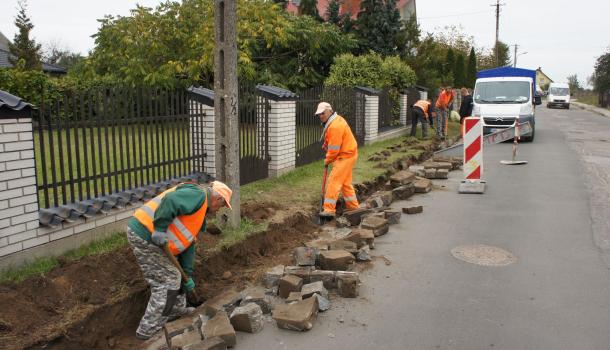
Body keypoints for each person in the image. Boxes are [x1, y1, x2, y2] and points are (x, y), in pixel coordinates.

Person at [127, 181, 233, 340]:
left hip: (158, 241)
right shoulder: (198, 195)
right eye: (222, 205)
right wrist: (160, 229)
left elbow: (188, 245)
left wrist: (187, 276)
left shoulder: (199, 214)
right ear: (217, 199)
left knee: (178, 276)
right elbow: (171, 201)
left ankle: (175, 311)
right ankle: (148, 330)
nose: (220, 209)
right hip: (146, 234)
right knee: (168, 281)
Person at [315, 102, 359, 218]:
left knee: (333, 181)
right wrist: (326, 143)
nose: (321, 116)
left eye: (323, 113)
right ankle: (353, 207)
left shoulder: (335, 126)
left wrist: (327, 159)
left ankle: (329, 210)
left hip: (345, 156)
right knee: (345, 183)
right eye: (319, 114)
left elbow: (334, 149)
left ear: (329, 111)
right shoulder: (335, 120)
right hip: (349, 153)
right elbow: (332, 139)